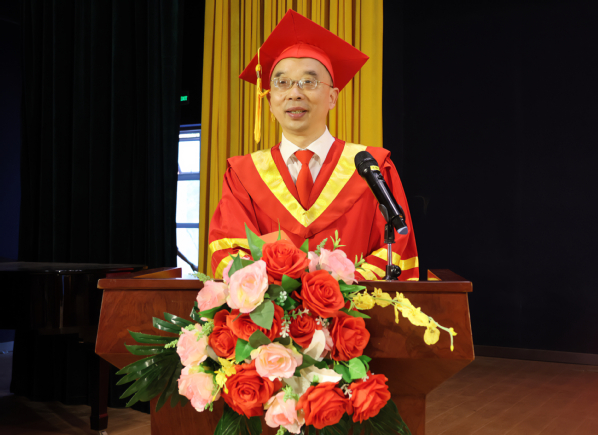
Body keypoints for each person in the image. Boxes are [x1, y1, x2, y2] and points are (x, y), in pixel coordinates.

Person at [207, 10, 418, 281]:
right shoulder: (243, 175)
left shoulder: (373, 168)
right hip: (275, 309)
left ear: (332, 97)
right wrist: (282, 295)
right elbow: (229, 251)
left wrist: (339, 290)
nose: (294, 93)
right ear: (269, 101)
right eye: (282, 83)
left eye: (309, 82)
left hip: (357, 307)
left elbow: (395, 249)